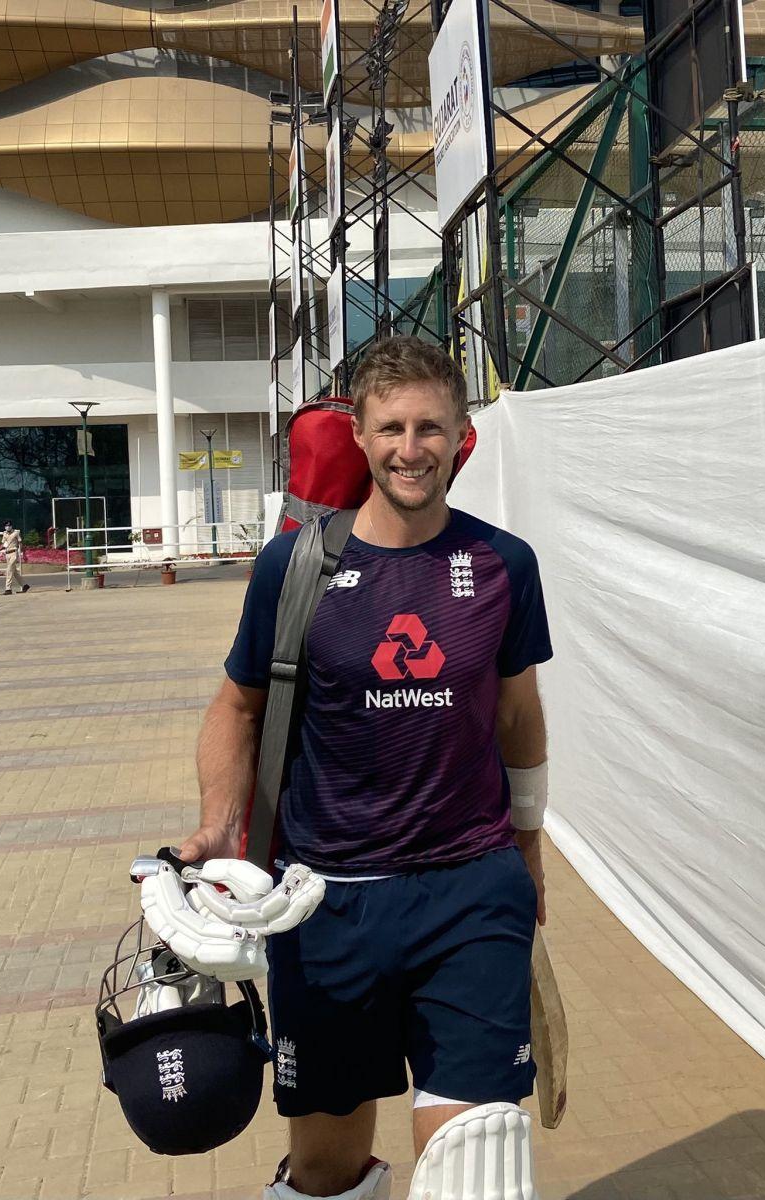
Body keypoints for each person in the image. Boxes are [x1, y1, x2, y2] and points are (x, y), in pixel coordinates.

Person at [178, 337, 553, 1200]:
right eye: (391, 428)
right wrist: (213, 827)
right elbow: (237, 708)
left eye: (430, 428)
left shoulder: (503, 564)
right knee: (324, 1171)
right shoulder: (297, 564)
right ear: (357, 434)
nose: (410, 448)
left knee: (478, 1162)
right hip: (325, 900)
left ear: (462, 437)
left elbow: (518, 715)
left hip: (469, 889)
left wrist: (528, 849)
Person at [0, 522, 30, 595]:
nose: (8, 527)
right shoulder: (4, 534)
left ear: (11, 526)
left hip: (14, 553)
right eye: (6, 525)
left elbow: (20, 542)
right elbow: (4, 544)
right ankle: (24, 585)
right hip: (7, 553)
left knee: (9, 571)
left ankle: (8, 589)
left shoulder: (16, 533)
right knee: (14, 572)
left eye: (9, 525)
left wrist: (23, 554)